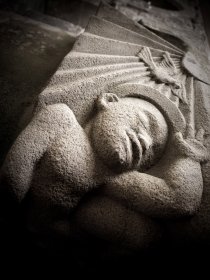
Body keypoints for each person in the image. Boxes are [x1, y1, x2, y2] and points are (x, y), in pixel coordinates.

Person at [0, 92, 207, 249]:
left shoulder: (114, 178)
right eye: (144, 123)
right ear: (108, 101)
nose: (146, 141)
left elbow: (178, 201)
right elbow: (14, 172)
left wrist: (188, 155)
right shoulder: (62, 119)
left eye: (153, 151)